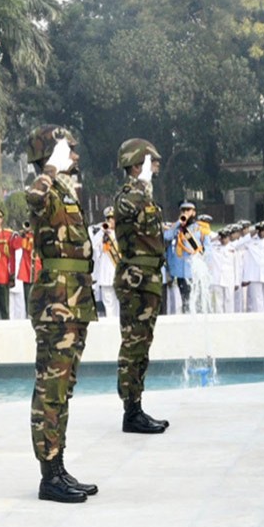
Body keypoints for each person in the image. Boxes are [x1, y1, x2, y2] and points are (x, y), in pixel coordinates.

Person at [25, 124, 99, 503]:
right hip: (56, 303)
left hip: (75, 298)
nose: (74, 156)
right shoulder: (45, 189)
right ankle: (48, 475)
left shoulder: (66, 192)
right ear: (50, 154)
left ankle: (58, 467)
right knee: (51, 390)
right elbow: (32, 197)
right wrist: (50, 169)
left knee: (64, 388)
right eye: (67, 149)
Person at [113, 138, 170, 434]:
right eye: (151, 161)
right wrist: (143, 181)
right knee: (133, 347)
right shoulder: (128, 195)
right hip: (135, 281)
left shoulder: (143, 195)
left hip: (148, 280)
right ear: (137, 165)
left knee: (142, 346)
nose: (156, 166)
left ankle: (136, 406)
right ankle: (131, 411)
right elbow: (127, 207)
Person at [91, 207, 120, 317]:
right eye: (108, 219)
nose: (110, 221)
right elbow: (93, 244)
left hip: (117, 273)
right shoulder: (102, 234)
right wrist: (102, 230)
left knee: (118, 303)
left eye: (112, 218)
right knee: (108, 304)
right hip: (105, 275)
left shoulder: (119, 233)